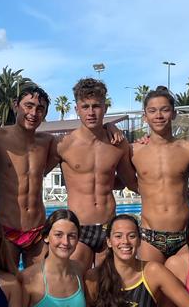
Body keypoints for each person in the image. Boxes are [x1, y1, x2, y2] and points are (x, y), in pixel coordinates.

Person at [56, 78, 137, 271]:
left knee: (106, 284)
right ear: (77, 109)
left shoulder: (117, 145)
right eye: (85, 107)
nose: (91, 112)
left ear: (105, 108)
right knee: (77, 282)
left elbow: (131, 183)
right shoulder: (62, 145)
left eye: (96, 106)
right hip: (79, 226)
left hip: (108, 225)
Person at [130, 87, 189, 262]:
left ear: (174, 113)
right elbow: (118, 180)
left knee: (182, 289)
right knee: (153, 289)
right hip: (150, 238)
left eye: (164, 110)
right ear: (144, 116)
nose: (159, 115)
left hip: (183, 236)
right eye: (152, 110)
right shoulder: (133, 151)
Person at [0, 84, 58, 269]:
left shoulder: (48, 142)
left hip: (38, 229)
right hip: (7, 228)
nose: (34, 113)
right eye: (28, 106)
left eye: (40, 109)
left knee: (39, 288)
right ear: (15, 105)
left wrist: (110, 128)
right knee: (9, 285)